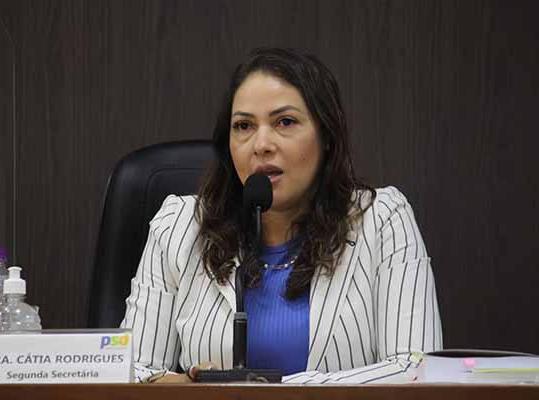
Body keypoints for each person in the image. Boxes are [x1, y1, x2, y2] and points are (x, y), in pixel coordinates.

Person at [121, 47, 442, 384]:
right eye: (243, 126)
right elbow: (129, 370)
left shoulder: (382, 219)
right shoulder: (180, 226)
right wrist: (180, 385)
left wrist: (266, 390)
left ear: (327, 136)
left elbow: (416, 369)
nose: (261, 144)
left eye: (285, 122)